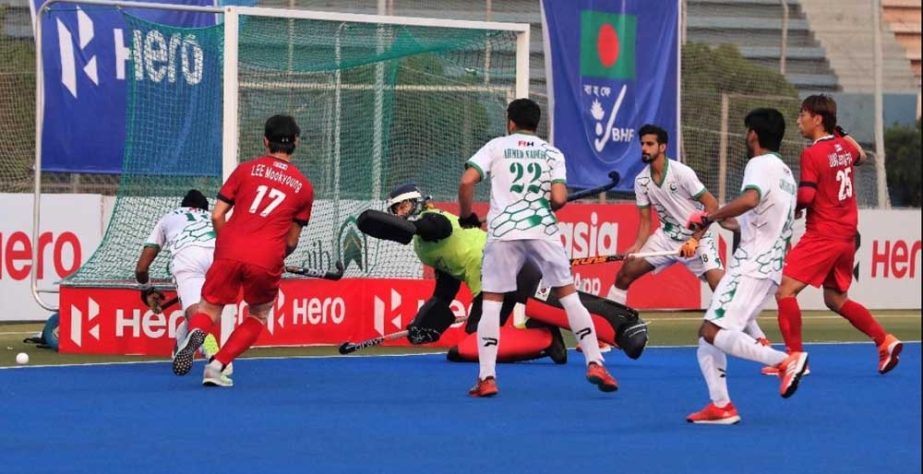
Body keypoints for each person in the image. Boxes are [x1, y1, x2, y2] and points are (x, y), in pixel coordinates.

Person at [379, 183, 648, 364]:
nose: (400, 214)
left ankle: (623, 325)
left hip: (513, 267)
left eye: (404, 207)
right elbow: (447, 284)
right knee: (470, 345)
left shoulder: (435, 220)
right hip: (489, 286)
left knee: (558, 304)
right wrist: (429, 317)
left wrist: (412, 227)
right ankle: (543, 337)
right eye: (396, 210)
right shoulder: (422, 247)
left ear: (418, 204)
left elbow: (430, 227)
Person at [458, 98, 618, 397]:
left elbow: (467, 181)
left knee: (492, 303)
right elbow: (558, 199)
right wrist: (547, 202)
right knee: (569, 298)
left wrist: (467, 216)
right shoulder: (552, 153)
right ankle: (595, 361)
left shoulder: (496, 146)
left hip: (504, 232)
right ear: (536, 123)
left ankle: (487, 377)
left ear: (510, 122)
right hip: (543, 230)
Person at [685, 108, 809, 424]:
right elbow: (751, 218)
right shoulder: (785, 174)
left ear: (753, 133)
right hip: (768, 266)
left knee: (713, 330)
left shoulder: (759, 164)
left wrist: (710, 216)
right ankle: (721, 405)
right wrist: (716, 219)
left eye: (746, 131)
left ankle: (784, 361)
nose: (745, 136)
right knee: (706, 336)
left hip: (751, 265)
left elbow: (751, 199)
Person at [171, 115, 314, 387]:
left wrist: (229, 245)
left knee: (209, 308)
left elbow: (217, 215)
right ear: (296, 142)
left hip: (229, 248)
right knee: (258, 315)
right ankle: (216, 366)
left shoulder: (245, 170)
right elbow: (292, 240)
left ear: (264, 141)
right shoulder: (305, 188)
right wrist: (277, 257)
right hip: (267, 256)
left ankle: (197, 333)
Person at [769, 94, 902, 376]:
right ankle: (885, 341)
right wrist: (841, 133)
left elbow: (806, 194)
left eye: (802, 114)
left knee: (785, 290)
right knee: (835, 299)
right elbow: (862, 156)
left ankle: (794, 358)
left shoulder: (812, 153)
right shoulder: (844, 147)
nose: (798, 120)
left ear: (817, 119)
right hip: (846, 236)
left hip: (824, 234)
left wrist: (796, 208)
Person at [607, 124, 770, 345]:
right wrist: (637, 246)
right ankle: (607, 334)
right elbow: (645, 222)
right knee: (624, 275)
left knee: (721, 288)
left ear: (662, 147)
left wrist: (695, 239)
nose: (644, 148)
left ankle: (759, 338)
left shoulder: (681, 173)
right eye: (642, 144)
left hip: (698, 239)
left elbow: (712, 206)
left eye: (649, 144)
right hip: (666, 239)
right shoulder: (641, 181)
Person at [134, 189, 231, 383]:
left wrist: (147, 290)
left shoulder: (168, 218)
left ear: (183, 207)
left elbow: (141, 268)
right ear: (204, 208)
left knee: (195, 311)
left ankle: (209, 349)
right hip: (218, 257)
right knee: (209, 311)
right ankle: (186, 336)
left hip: (188, 258)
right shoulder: (214, 216)